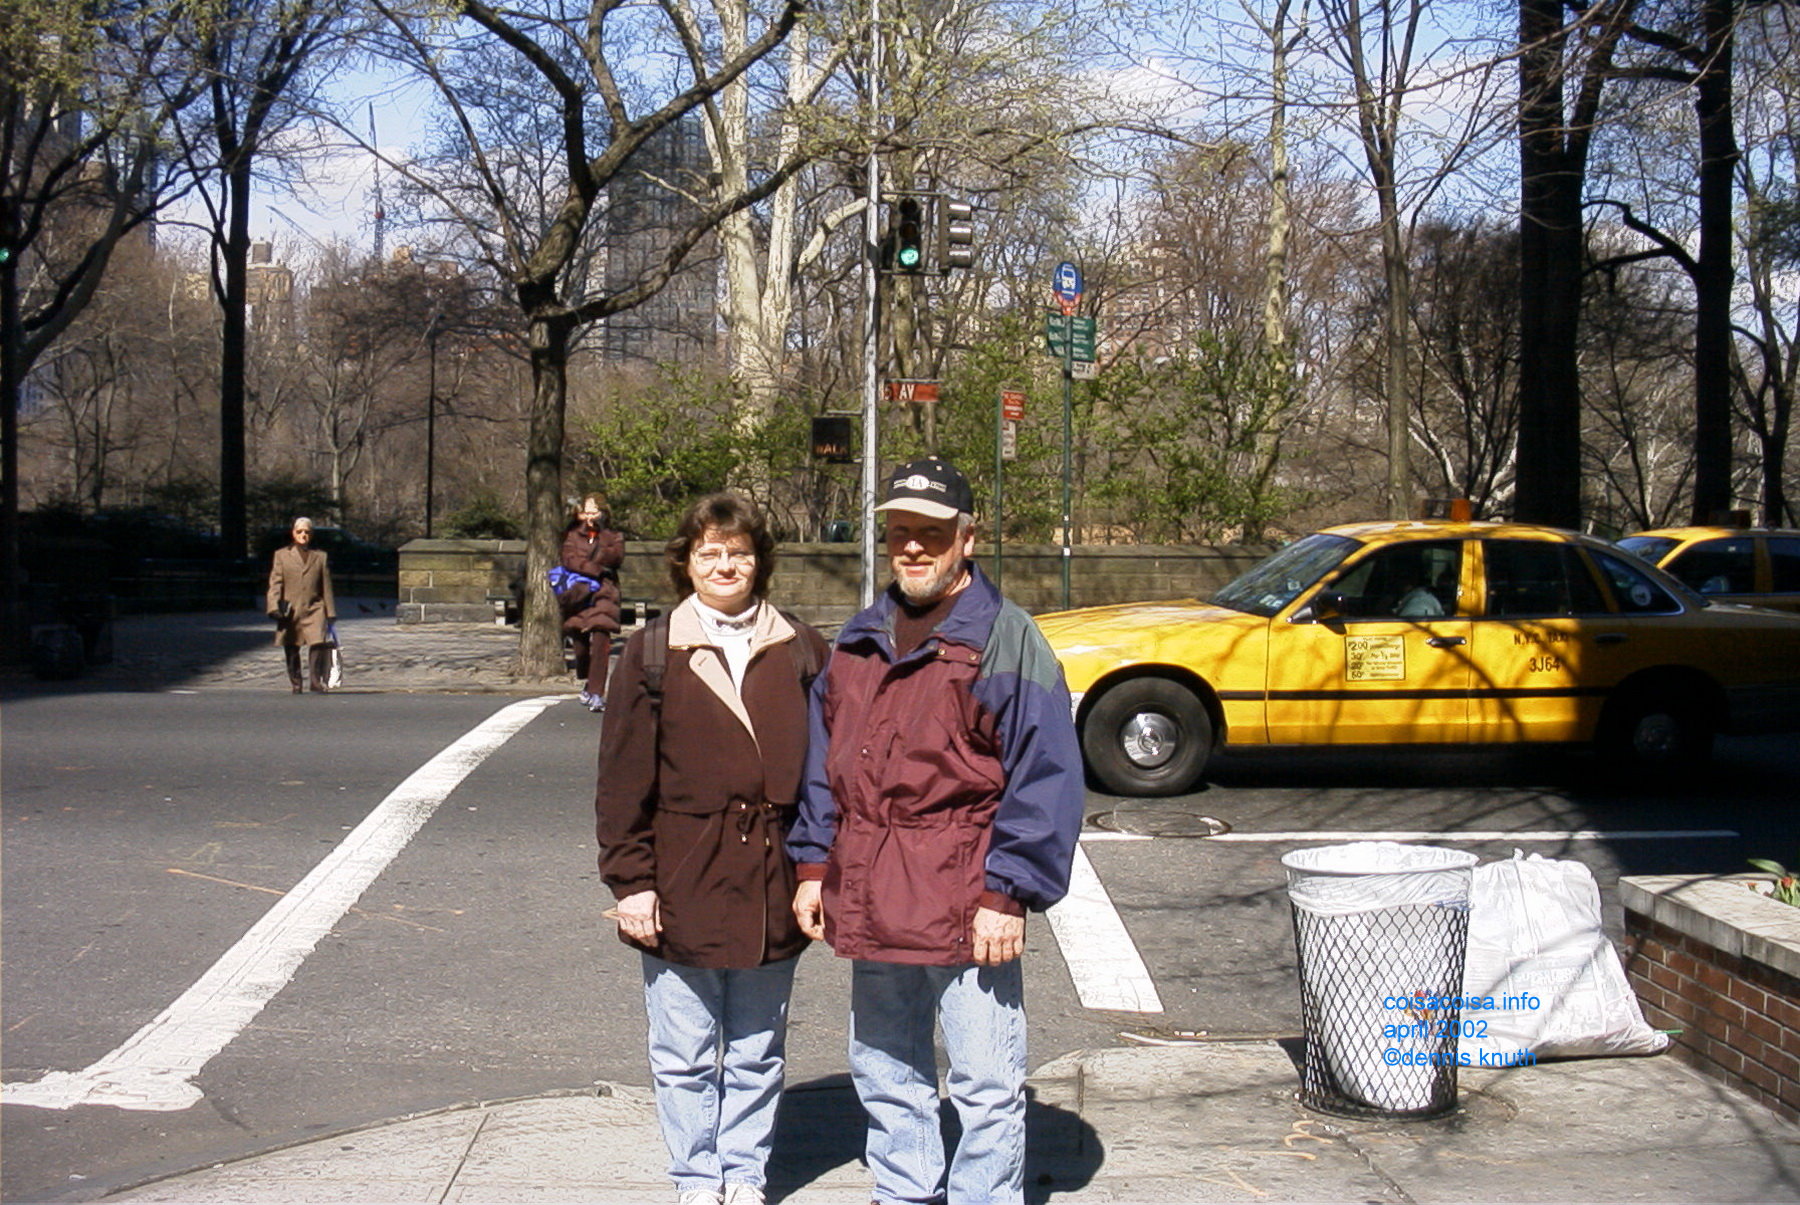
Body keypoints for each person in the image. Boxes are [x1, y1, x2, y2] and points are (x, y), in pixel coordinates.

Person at [788, 457, 1086, 1205]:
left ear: (967, 537)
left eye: (931, 532)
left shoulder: (1007, 640)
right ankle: (905, 1193)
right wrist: (813, 866)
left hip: (966, 895)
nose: (914, 548)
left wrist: (1007, 891)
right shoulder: (857, 642)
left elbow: (1044, 775)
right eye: (900, 533)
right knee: (887, 1073)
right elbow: (822, 767)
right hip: (870, 889)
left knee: (985, 1082)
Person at [595, 492, 829, 1205]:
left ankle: (745, 1173)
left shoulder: (802, 647)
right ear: (685, 563)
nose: (725, 564)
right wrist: (631, 883)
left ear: (759, 562)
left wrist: (817, 870)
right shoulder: (651, 652)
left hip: (771, 875)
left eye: (738, 552)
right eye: (709, 552)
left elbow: (828, 774)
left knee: (758, 1049)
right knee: (685, 1051)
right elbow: (621, 778)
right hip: (682, 874)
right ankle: (698, 1178)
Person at [554, 494, 624, 711]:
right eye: (587, 511)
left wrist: (602, 539)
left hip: (605, 593)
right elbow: (569, 559)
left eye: (595, 512)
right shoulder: (573, 535)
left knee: (602, 640)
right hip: (579, 593)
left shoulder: (613, 536)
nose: (591, 516)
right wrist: (594, 569)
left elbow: (615, 558)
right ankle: (586, 677)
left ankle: (596, 692)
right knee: (580, 643)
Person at [266, 517, 337, 693]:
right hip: (291, 609)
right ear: (293, 533)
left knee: (318, 643)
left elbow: (326, 586)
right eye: (299, 532)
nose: (303, 535)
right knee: (291, 646)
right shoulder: (282, 555)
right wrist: (273, 606)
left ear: (311, 534)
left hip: (315, 607)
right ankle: (296, 681)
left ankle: (315, 680)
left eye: (307, 532)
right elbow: (276, 583)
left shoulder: (320, 556)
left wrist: (330, 612)